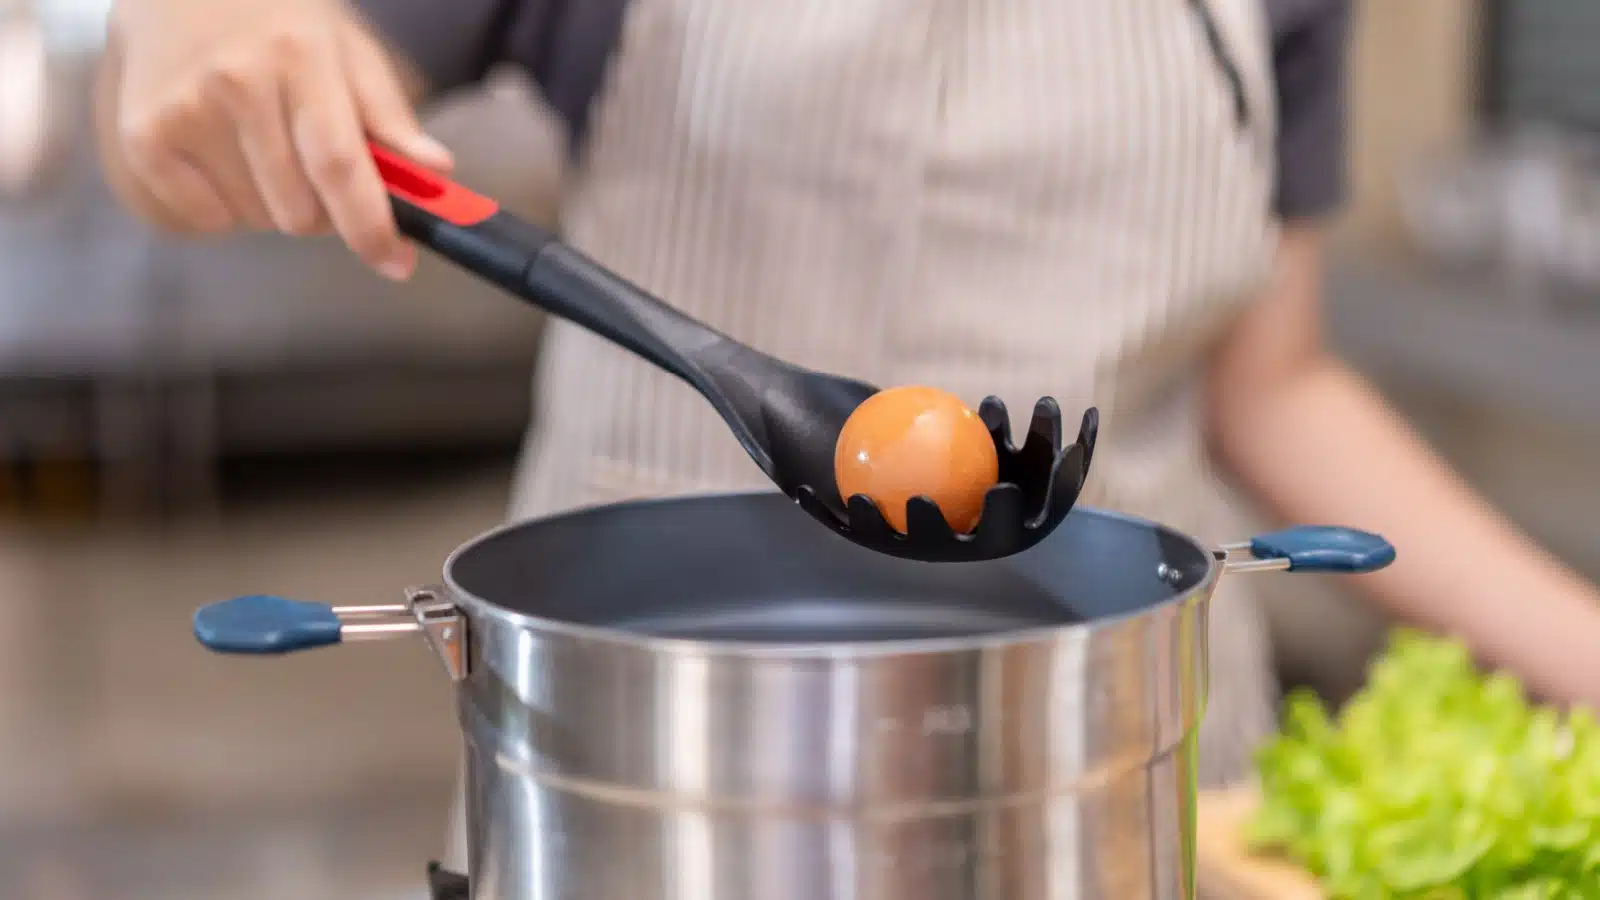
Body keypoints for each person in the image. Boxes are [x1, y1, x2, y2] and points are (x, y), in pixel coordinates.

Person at [97, 0, 1600, 873]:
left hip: (1124, 783)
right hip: (652, 791)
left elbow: (1274, 384)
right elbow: (220, 68)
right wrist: (179, 46)